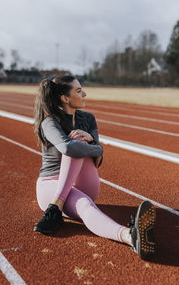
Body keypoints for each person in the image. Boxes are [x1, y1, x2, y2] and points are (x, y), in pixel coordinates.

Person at [33, 75, 156, 261]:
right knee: (83, 202)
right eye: (78, 90)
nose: (84, 93)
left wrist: (94, 144)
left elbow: (97, 159)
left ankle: (56, 208)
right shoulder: (49, 122)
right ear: (65, 98)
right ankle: (129, 236)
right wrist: (95, 146)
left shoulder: (88, 119)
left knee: (78, 142)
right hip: (51, 186)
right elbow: (67, 148)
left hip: (84, 183)